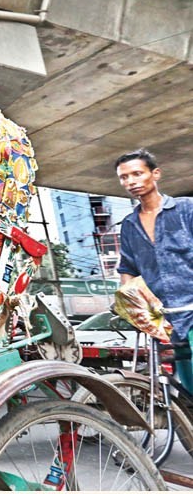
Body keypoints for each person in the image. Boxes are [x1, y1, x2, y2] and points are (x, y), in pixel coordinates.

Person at [115, 148, 193, 393]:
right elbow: (127, 269)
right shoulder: (128, 225)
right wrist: (128, 301)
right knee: (188, 390)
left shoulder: (186, 209)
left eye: (137, 174)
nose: (131, 181)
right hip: (165, 320)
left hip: (191, 309)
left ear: (155, 174)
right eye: (124, 177)